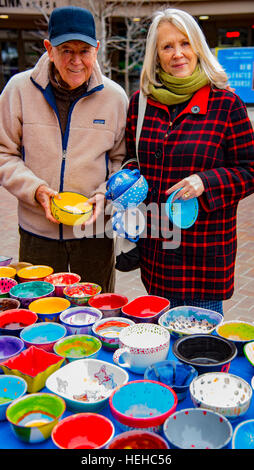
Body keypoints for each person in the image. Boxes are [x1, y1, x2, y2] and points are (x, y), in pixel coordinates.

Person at [124, 8, 254, 314]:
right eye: (167, 46)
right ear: (155, 56)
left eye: (184, 43)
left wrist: (205, 182)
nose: (178, 54)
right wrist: (127, 181)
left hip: (205, 260)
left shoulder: (225, 104)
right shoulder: (142, 104)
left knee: (201, 354)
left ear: (198, 47)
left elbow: (250, 169)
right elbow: (132, 159)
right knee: (158, 351)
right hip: (158, 255)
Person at [0, 6, 128, 292]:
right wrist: (34, 189)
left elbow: (124, 163)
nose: (76, 60)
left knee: (99, 310)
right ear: (48, 48)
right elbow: (3, 152)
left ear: (96, 49)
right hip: (37, 232)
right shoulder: (18, 90)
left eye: (84, 51)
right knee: (40, 309)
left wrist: (104, 194)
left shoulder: (116, 98)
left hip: (95, 233)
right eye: (66, 49)